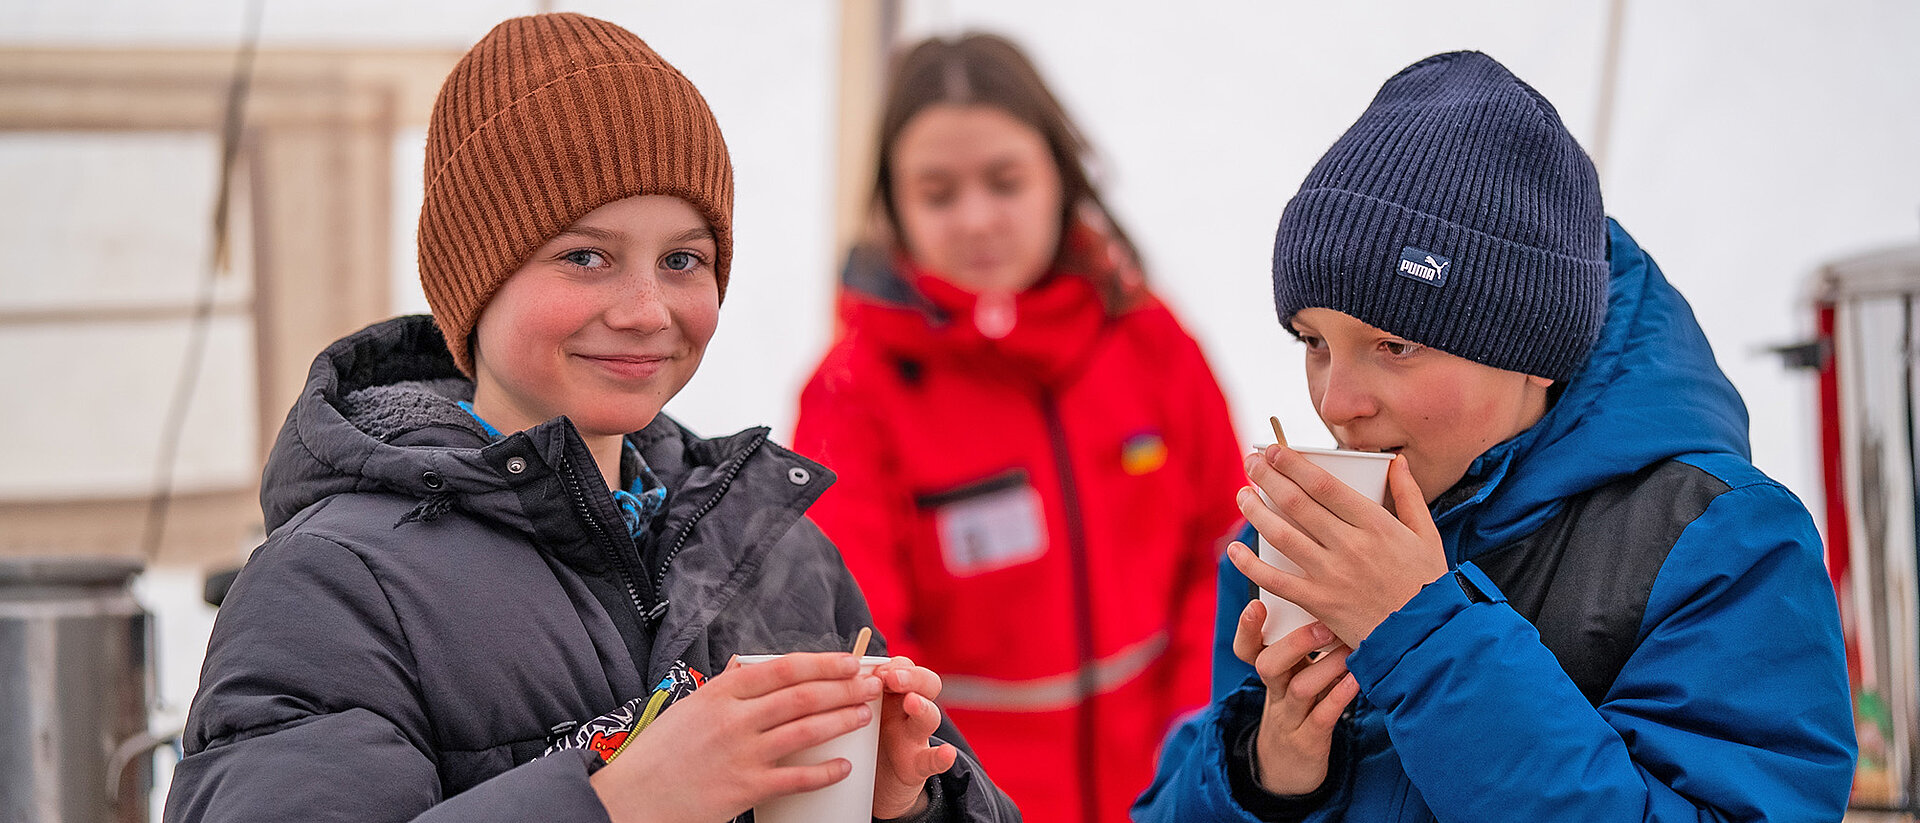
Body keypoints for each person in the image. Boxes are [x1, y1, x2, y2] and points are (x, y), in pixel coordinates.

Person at [161, 13, 1019, 823]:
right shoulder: (332, 584)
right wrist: (617, 800)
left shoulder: (775, 553)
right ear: (475, 280)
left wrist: (907, 802)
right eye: (585, 256)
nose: (647, 308)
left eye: (683, 258)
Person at [1133, 51, 1856, 822]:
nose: (1336, 401)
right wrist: (1264, 769)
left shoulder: (1724, 543)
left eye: (1394, 344)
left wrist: (1423, 638)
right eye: (1313, 341)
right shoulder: (1303, 536)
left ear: (1534, 355)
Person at [792, 33, 1246, 823]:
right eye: (938, 193)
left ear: (1058, 178)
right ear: (893, 203)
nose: (976, 219)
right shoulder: (852, 393)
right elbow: (857, 645)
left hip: (1171, 792)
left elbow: (1223, 547)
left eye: (1006, 181)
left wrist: (1191, 741)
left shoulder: (1151, 342)